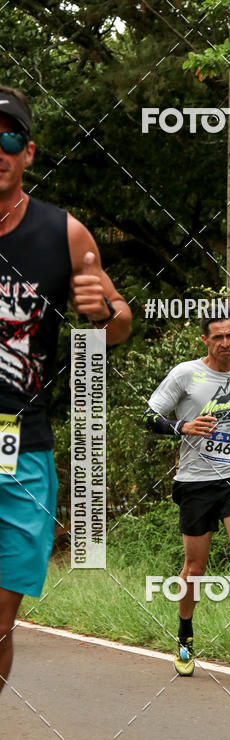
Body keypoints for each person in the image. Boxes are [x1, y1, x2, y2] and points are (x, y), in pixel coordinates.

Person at [0, 85, 132, 693]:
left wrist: (102, 314)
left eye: (9, 138)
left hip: (19, 447)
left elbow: (118, 324)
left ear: (28, 152)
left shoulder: (66, 234)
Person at [143, 315, 230, 680]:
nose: (226, 343)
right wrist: (182, 426)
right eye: (218, 337)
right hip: (196, 481)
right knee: (195, 569)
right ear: (205, 339)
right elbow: (149, 416)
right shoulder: (185, 374)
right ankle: (185, 635)